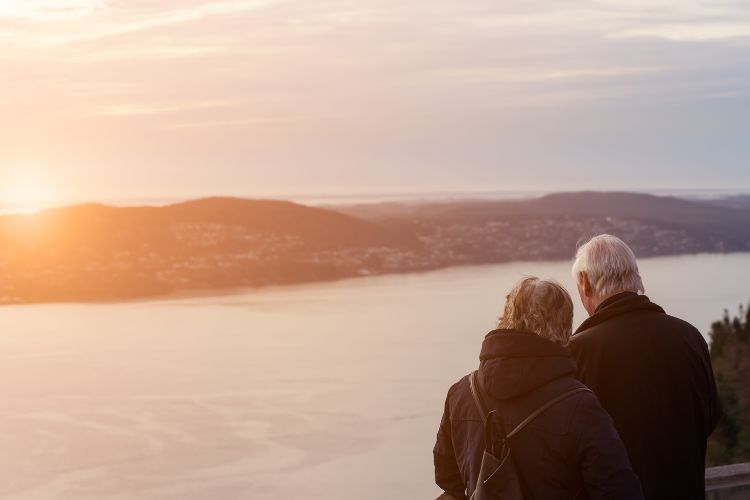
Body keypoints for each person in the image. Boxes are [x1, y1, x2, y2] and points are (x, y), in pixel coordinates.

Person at [434, 277, 643, 500]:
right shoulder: (580, 405)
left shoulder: (461, 393)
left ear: (506, 317)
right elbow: (618, 491)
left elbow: (448, 479)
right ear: (565, 328)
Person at [569, 234, 722, 499]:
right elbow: (710, 417)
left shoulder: (577, 352)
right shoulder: (690, 337)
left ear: (584, 282)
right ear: (636, 277)